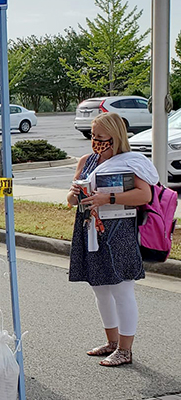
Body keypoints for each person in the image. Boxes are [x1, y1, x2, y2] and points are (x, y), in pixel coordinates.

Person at [67, 112, 158, 367]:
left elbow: (145, 195)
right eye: (92, 136)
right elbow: (72, 200)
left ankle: (125, 349)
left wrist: (108, 199)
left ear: (115, 137)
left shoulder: (131, 163)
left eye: (100, 137)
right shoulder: (86, 161)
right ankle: (112, 342)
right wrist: (74, 193)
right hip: (89, 228)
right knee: (99, 287)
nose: (95, 141)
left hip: (118, 230)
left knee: (121, 288)